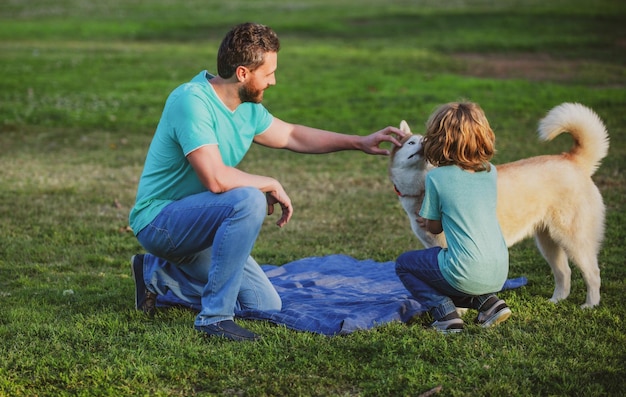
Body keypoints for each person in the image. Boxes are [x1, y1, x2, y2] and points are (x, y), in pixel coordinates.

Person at [129, 22, 406, 341]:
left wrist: (358, 141)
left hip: (199, 227)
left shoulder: (247, 108)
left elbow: (292, 134)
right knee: (247, 199)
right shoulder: (191, 101)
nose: (273, 80)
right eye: (268, 73)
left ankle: (156, 273)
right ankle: (214, 319)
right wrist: (268, 182)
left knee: (266, 303)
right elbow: (216, 179)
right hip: (160, 222)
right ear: (243, 73)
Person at [395, 101, 511, 334]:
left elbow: (435, 228)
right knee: (451, 263)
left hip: (466, 271)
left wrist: (427, 221)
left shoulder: (437, 178)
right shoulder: (490, 171)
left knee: (405, 264)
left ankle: (445, 314)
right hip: (500, 271)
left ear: (437, 140)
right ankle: (488, 302)